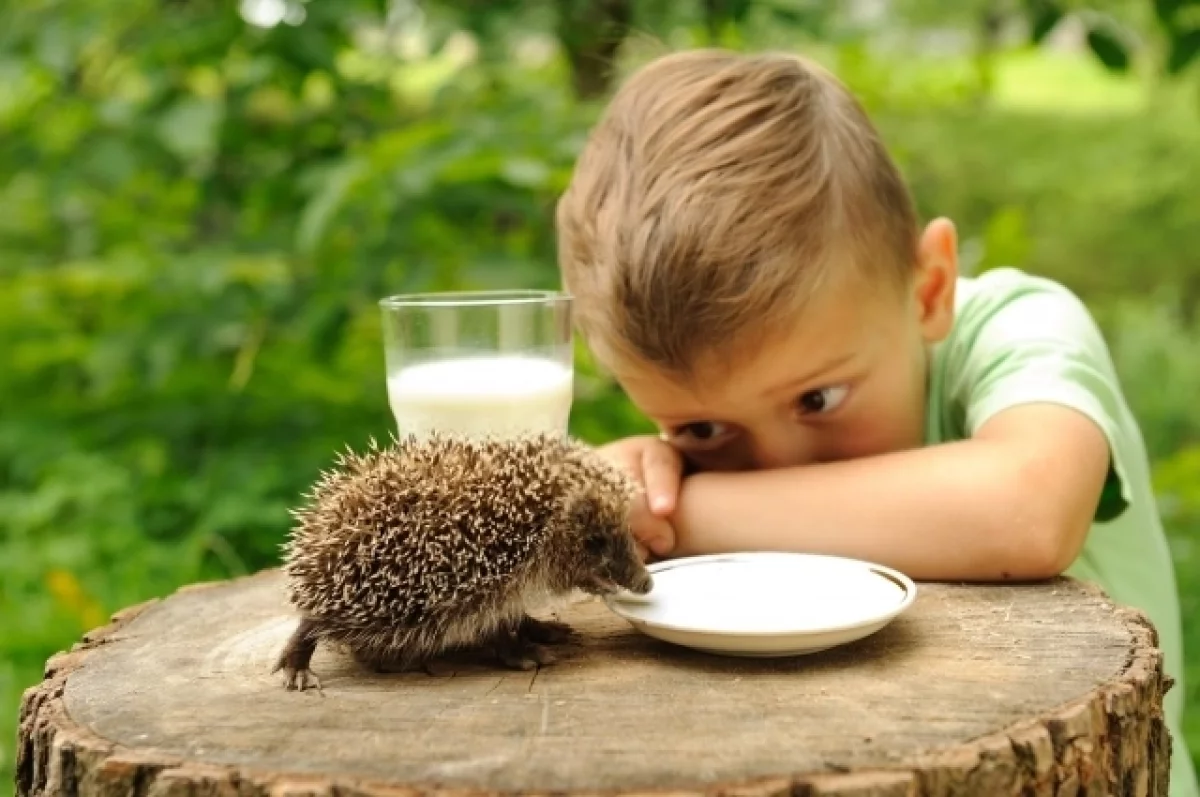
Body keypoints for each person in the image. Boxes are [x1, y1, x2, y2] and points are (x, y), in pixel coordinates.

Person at [554, 48, 1198, 796]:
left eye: (818, 400)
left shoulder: (1019, 325)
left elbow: (1028, 509)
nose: (780, 466)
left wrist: (682, 514)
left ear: (930, 289)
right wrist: (637, 491)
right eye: (700, 430)